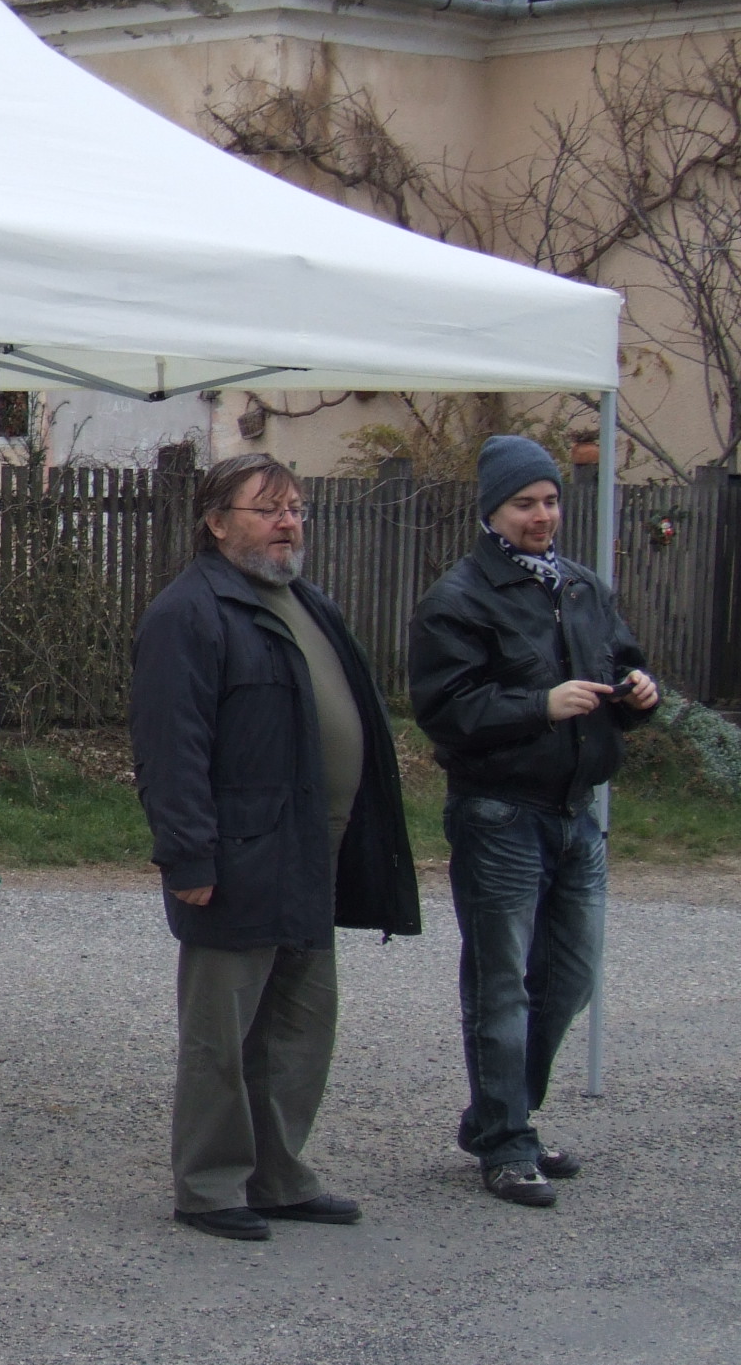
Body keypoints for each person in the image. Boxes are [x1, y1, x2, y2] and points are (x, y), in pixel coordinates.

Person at [131, 454, 420, 1241]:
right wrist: (188, 856)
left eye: (296, 508)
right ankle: (210, 1186)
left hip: (312, 850)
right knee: (222, 1033)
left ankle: (280, 1175)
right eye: (269, 510)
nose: (288, 523)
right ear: (216, 522)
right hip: (238, 855)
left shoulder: (308, 603)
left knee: (300, 1023)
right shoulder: (189, 614)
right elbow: (170, 747)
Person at [410, 435, 657, 1208]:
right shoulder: (457, 599)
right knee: (502, 987)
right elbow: (445, 711)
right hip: (499, 815)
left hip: (576, 812)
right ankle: (509, 1142)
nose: (542, 515)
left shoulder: (581, 586)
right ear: (493, 512)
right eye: (524, 504)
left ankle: (500, 1116)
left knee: (571, 977)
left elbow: (617, 664)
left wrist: (637, 693)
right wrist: (539, 706)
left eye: (550, 500)